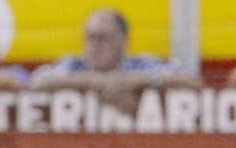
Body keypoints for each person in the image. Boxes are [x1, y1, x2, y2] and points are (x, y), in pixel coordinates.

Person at [30, 8, 195, 102]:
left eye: (102, 38)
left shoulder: (138, 65)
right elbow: (37, 81)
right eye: (90, 38)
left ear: (123, 41)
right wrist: (92, 81)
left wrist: (134, 81)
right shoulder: (75, 65)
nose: (94, 46)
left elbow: (190, 81)